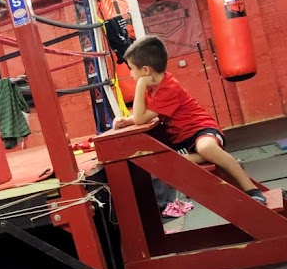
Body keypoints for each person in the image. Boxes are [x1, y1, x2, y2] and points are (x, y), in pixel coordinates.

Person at [112, 35, 267, 203]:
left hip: (201, 130)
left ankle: (251, 189)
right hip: (183, 140)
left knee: (205, 148)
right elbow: (142, 116)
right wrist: (126, 121)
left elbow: (140, 119)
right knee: (161, 161)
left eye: (131, 69)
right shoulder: (152, 89)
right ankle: (221, 158)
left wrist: (140, 85)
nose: (130, 74)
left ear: (145, 71)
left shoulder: (168, 88)